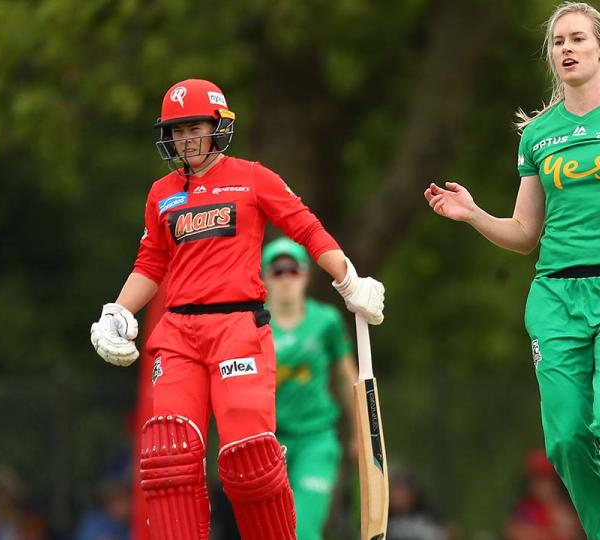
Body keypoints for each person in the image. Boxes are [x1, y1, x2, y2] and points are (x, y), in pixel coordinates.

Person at [424, 3, 600, 539]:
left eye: (578, 39)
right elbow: (524, 235)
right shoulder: (537, 134)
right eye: (558, 42)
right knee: (565, 440)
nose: (567, 49)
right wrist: (473, 215)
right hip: (555, 296)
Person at [88, 78, 385, 540]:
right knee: (169, 455)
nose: (185, 139)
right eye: (177, 130)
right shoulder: (161, 193)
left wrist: (348, 279)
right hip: (178, 333)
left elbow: (305, 228)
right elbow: (150, 262)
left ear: (218, 127)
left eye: (194, 128)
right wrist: (116, 312)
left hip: (237, 329)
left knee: (250, 456)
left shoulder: (253, 178)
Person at [260, 236, 358, 540]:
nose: (286, 278)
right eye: (278, 270)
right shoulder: (251, 324)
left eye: (293, 269)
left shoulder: (326, 321)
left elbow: (347, 377)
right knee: (270, 533)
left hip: (317, 438)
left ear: (305, 273)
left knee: (303, 530)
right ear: (264, 276)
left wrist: (360, 434)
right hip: (267, 444)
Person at [504, 449, 583, 540]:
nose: (545, 486)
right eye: (539, 481)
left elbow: (573, 531)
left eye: (548, 480)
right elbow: (514, 532)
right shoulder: (524, 510)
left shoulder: (565, 504)